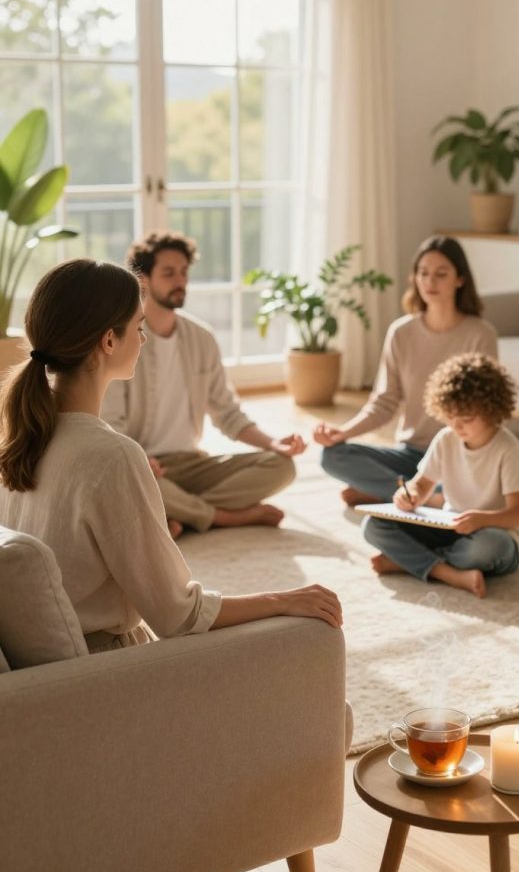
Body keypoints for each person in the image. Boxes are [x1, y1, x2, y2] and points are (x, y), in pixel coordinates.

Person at [0, 258, 342, 650]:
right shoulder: (111, 457)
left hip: (54, 674)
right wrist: (285, 599)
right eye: (139, 327)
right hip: (106, 671)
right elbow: (179, 616)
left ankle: (193, 512)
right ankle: (210, 515)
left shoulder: (19, 439)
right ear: (109, 341)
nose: (143, 340)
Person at [102, 230, 306, 539]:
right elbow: (110, 425)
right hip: (145, 467)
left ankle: (170, 515)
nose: (180, 281)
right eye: (169, 273)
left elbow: (227, 413)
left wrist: (273, 443)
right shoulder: (125, 342)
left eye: (184, 272)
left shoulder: (202, 337)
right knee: (127, 483)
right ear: (143, 280)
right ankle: (222, 517)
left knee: (282, 467)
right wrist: (141, 459)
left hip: (193, 465)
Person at [313, 236, 498, 506]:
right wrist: (342, 433)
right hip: (413, 455)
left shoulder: (480, 335)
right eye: (423, 273)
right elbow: (384, 403)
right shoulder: (401, 332)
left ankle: (392, 493)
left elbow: (488, 410)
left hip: (459, 457)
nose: (430, 282)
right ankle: (422, 497)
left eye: (441, 274)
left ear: (460, 279)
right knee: (333, 456)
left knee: (475, 490)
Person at [362, 353, 519, 599]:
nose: (456, 426)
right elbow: (421, 484)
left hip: (494, 534)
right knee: (373, 526)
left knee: (487, 549)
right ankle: (448, 572)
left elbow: (517, 514)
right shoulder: (446, 439)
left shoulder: (509, 449)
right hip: (450, 526)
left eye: (466, 419)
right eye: (450, 417)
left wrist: (480, 520)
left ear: (492, 410)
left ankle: (409, 561)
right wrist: (409, 496)